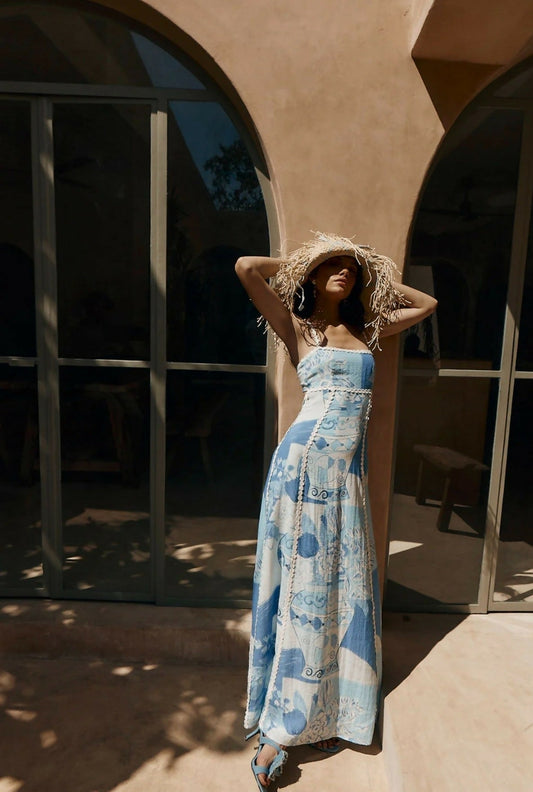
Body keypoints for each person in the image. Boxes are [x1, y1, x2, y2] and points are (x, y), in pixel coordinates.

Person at [235, 231, 437, 790]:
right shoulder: (299, 328)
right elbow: (249, 266)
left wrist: (369, 275)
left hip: (345, 479)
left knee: (338, 593)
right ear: (316, 276)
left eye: (351, 269)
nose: (343, 273)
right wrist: (306, 260)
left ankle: (326, 710)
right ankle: (281, 724)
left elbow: (426, 305)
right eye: (334, 268)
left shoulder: (369, 329)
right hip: (303, 471)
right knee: (302, 592)